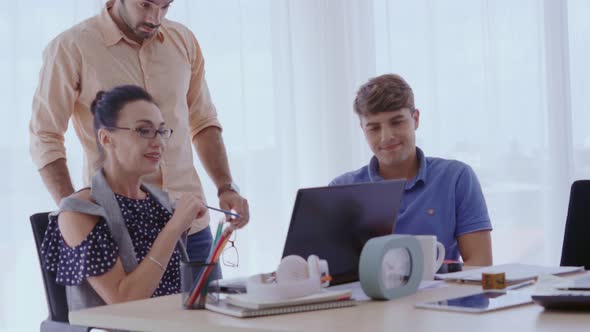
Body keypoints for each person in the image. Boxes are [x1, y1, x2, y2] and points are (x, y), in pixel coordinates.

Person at [29, 0, 249, 264]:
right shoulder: (71, 47)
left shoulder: (183, 41)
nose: (154, 18)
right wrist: (76, 213)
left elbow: (202, 121)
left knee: (211, 307)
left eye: (165, 6)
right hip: (119, 229)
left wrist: (226, 187)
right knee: (130, 307)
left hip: (192, 227)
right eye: (145, 5)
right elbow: (45, 136)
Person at [41, 85, 246, 311]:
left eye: (161, 131)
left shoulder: (159, 203)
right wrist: (175, 226)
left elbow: (178, 298)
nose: (158, 142)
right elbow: (126, 301)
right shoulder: (79, 212)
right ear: (106, 138)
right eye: (143, 130)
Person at [330, 74, 492, 266]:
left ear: (415, 119)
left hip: (443, 296)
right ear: (362, 129)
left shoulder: (456, 178)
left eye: (397, 122)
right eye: (374, 128)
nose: (386, 137)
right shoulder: (342, 190)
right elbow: (334, 274)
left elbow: (480, 265)